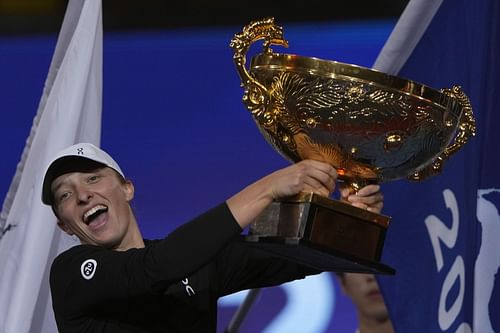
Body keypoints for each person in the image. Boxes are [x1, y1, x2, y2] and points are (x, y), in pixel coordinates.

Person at [42, 142, 384, 332]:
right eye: (65, 195)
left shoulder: (194, 263)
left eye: (91, 179)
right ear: (65, 226)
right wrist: (269, 187)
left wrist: (349, 216)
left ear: (127, 188)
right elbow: (156, 269)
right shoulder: (71, 273)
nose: (83, 195)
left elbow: (290, 256)